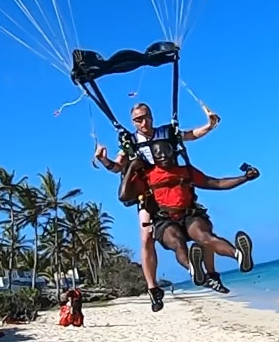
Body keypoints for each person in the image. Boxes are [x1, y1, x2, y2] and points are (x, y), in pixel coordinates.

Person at [94, 100, 220, 308]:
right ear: (133, 122)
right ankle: (153, 287)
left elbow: (190, 135)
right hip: (148, 193)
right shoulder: (130, 142)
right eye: (137, 120)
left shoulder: (167, 132)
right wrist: (103, 160)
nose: (142, 122)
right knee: (146, 238)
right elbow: (117, 167)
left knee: (199, 226)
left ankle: (204, 269)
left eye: (145, 117)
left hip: (172, 187)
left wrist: (209, 125)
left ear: (151, 116)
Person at [126, 153, 259, 298]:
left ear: (174, 154)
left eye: (167, 153)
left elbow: (217, 183)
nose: (164, 157)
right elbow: (123, 196)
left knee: (204, 236)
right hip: (164, 220)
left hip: (190, 214)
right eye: (159, 155)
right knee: (177, 243)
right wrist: (131, 168)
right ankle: (193, 268)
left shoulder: (186, 171)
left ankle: (239, 256)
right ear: (154, 158)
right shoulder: (146, 176)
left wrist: (245, 178)